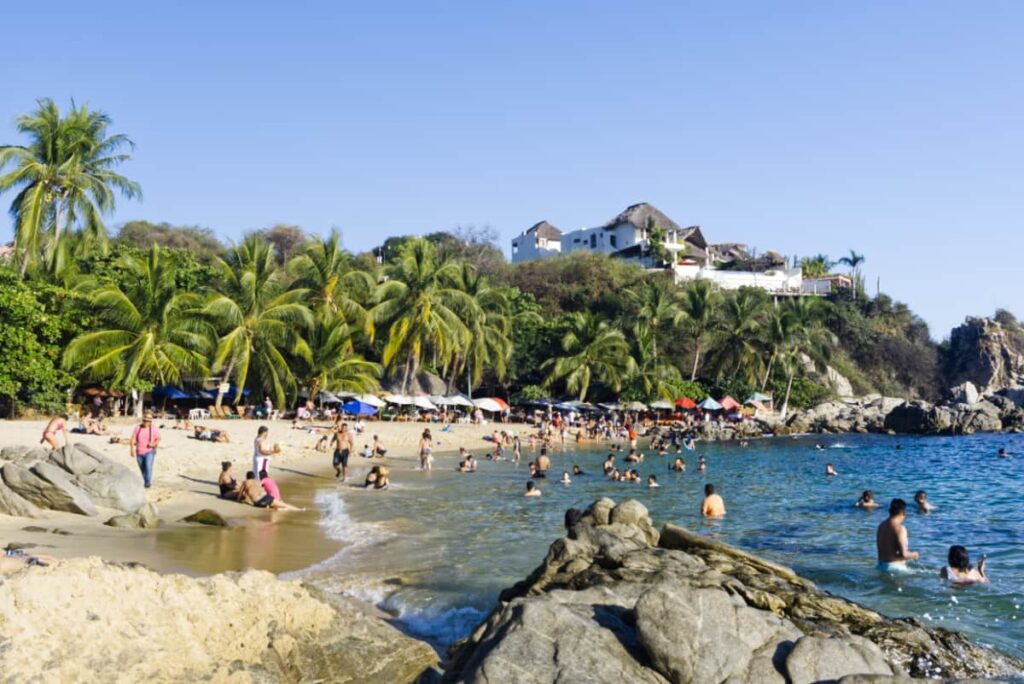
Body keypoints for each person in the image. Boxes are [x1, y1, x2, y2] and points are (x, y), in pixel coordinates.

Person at [876, 498, 919, 571]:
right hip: (895, 568)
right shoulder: (900, 528)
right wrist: (914, 555)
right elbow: (903, 554)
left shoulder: (881, 526)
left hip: (880, 566)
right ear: (904, 513)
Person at [130, 411, 161, 489]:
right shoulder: (138, 428)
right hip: (139, 452)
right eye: (145, 420)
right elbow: (133, 438)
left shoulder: (153, 429)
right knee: (143, 469)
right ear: (143, 419)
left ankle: (147, 484)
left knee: (148, 467)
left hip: (149, 451)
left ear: (151, 421)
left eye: (149, 420)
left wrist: (153, 444)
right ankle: (146, 481)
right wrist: (132, 449)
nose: (147, 422)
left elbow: (158, 438)